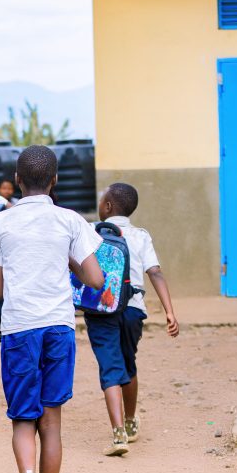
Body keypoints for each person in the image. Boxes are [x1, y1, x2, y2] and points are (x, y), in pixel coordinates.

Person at [0, 145, 105, 473]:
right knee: (51, 421)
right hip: (58, 327)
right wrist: (67, 259)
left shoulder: (0, 223)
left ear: (17, 181)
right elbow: (96, 279)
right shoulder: (69, 220)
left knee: (23, 418)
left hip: (19, 328)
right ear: (54, 180)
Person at [86, 183, 179, 457]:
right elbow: (156, 272)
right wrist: (169, 311)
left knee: (109, 367)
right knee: (128, 363)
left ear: (108, 206)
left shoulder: (92, 232)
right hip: (134, 309)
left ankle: (118, 435)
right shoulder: (140, 235)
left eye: (102, 198)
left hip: (101, 309)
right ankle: (130, 421)